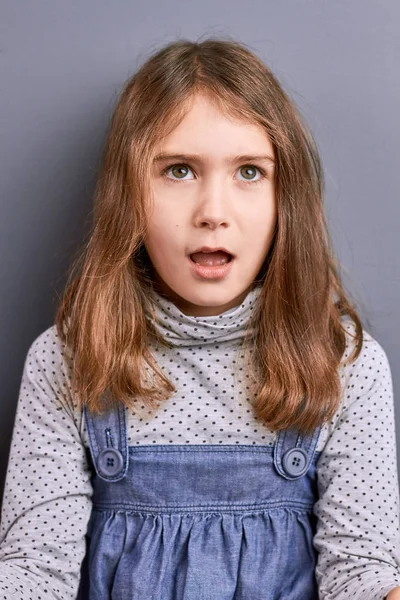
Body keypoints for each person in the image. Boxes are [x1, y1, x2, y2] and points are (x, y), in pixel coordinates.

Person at [0, 37, 400, 600]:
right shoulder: (69, 360)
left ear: (287, 199)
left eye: (250, 173)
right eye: (180, 171)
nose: (213, 212)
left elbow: (362, 573)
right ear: (129, 196)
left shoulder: (345, 363)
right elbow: (35, 576)